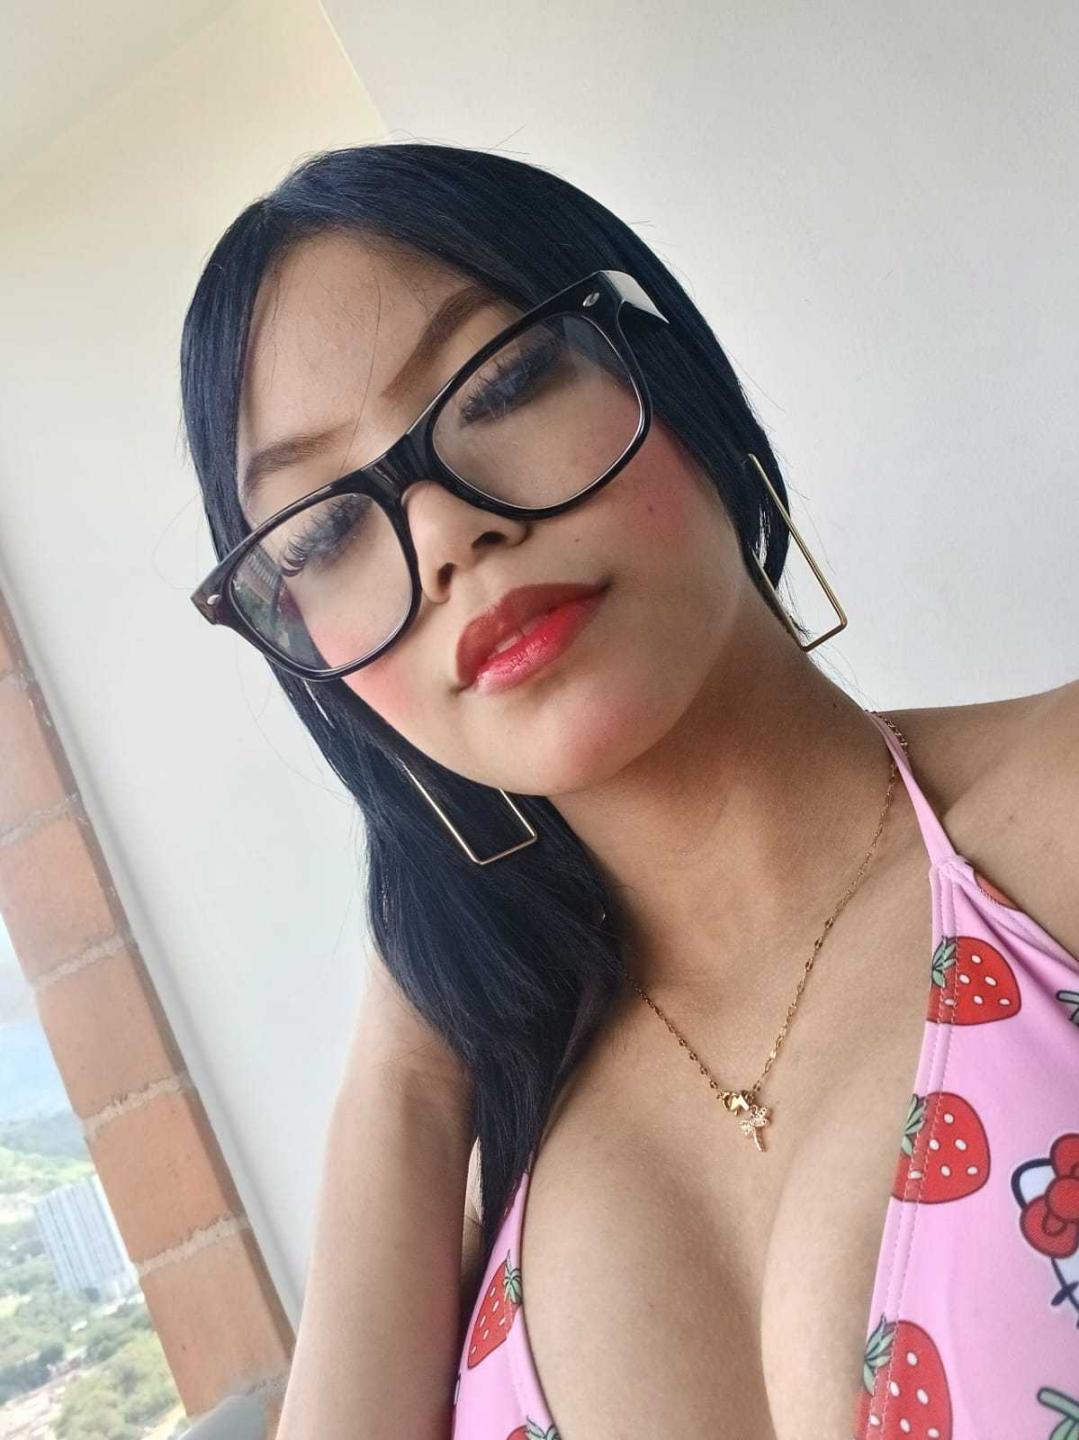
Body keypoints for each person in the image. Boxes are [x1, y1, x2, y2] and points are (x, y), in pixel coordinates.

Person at [181, 142, 1079, 1440]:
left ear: (668, 370)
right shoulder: (479, 1185)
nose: (442, 532)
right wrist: (403, 1073)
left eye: (500, 381)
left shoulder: (1051, 821)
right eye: (321, 531)